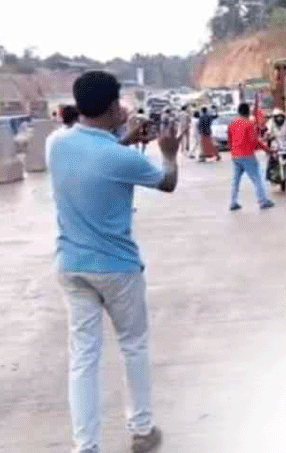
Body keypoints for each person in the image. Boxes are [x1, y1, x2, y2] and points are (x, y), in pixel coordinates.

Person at [47, 71, 181, 453]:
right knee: (133, 346)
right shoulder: (120, 157)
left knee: (83, 358)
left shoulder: (56, 144)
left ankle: (85, 446)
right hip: (117, 268)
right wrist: (168, 152)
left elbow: (93, 157)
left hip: (71, 265)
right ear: (110, 106)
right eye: (119, 102)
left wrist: (122, 137)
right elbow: (166, 182)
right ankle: (141, 430)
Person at [229, 103, 275, 211]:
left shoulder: (232, 124)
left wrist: (233, 151)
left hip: (235, 156)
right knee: (257, 179)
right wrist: (267, 150)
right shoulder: (249, 125)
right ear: (248, 112)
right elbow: (254, 141)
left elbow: (229, 141)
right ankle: (263, 201)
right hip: (247, 156)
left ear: (239, 112)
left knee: (235, 181)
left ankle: (233, 202)